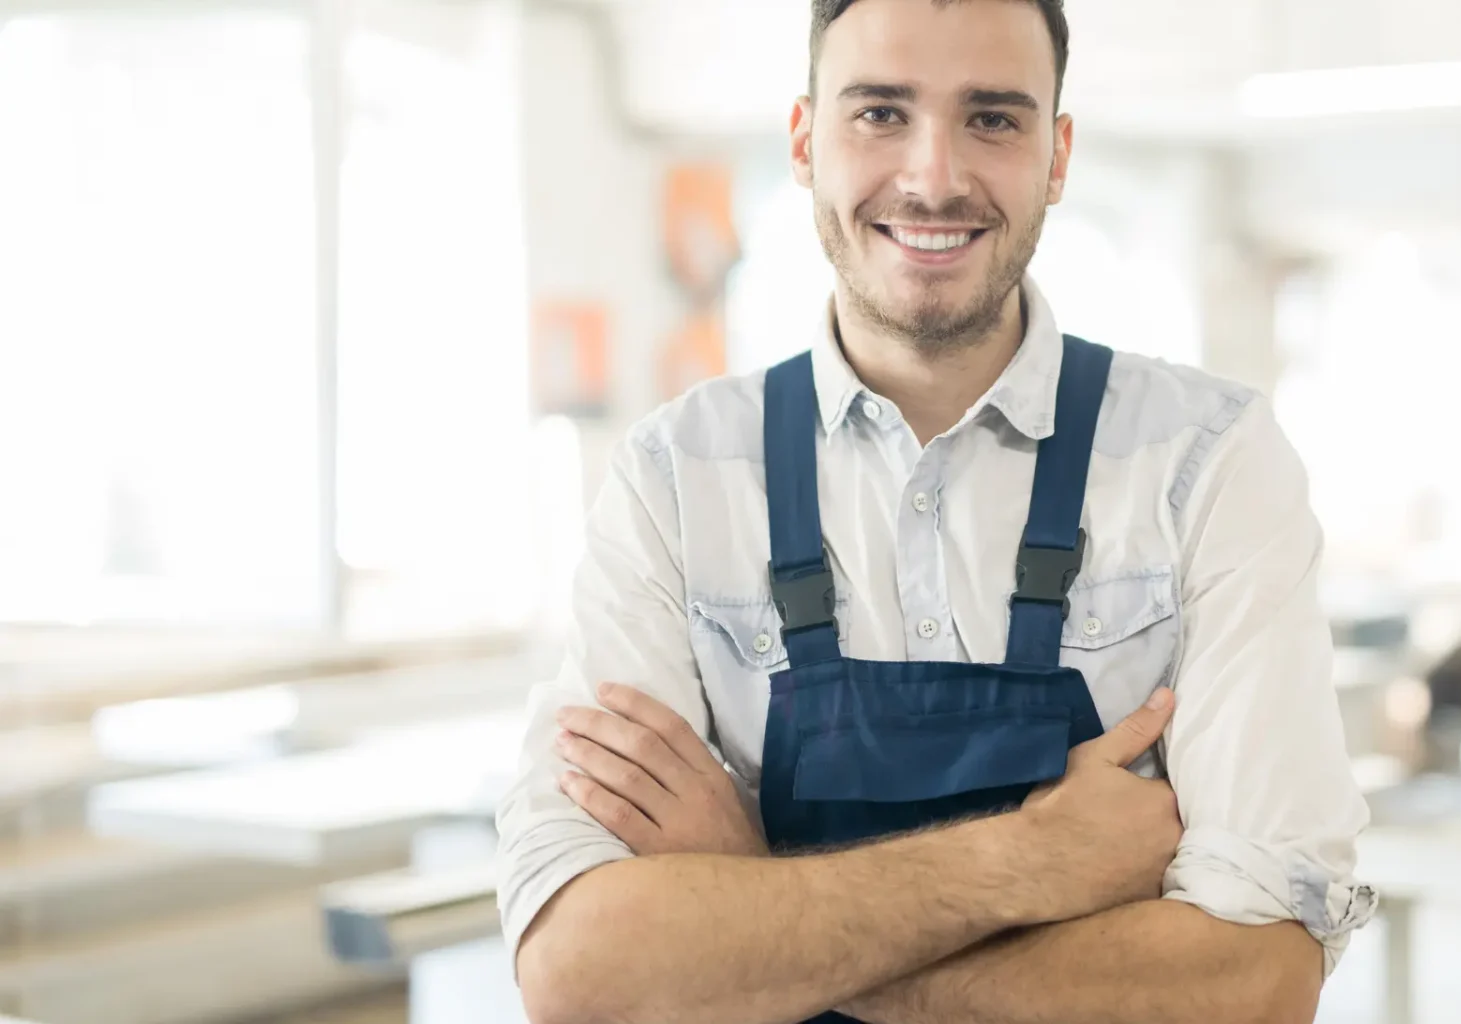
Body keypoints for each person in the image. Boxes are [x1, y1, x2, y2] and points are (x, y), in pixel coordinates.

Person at [496, 2, 1374, 1022]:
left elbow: (1256, 985)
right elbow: (583, 971)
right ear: (804, 140)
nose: (934, 176)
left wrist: (761, 899)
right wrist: (1026, 863)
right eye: (880, 113)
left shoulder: (1208, 462)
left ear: (1057, 153)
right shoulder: (675, 481)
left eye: (993, 119)